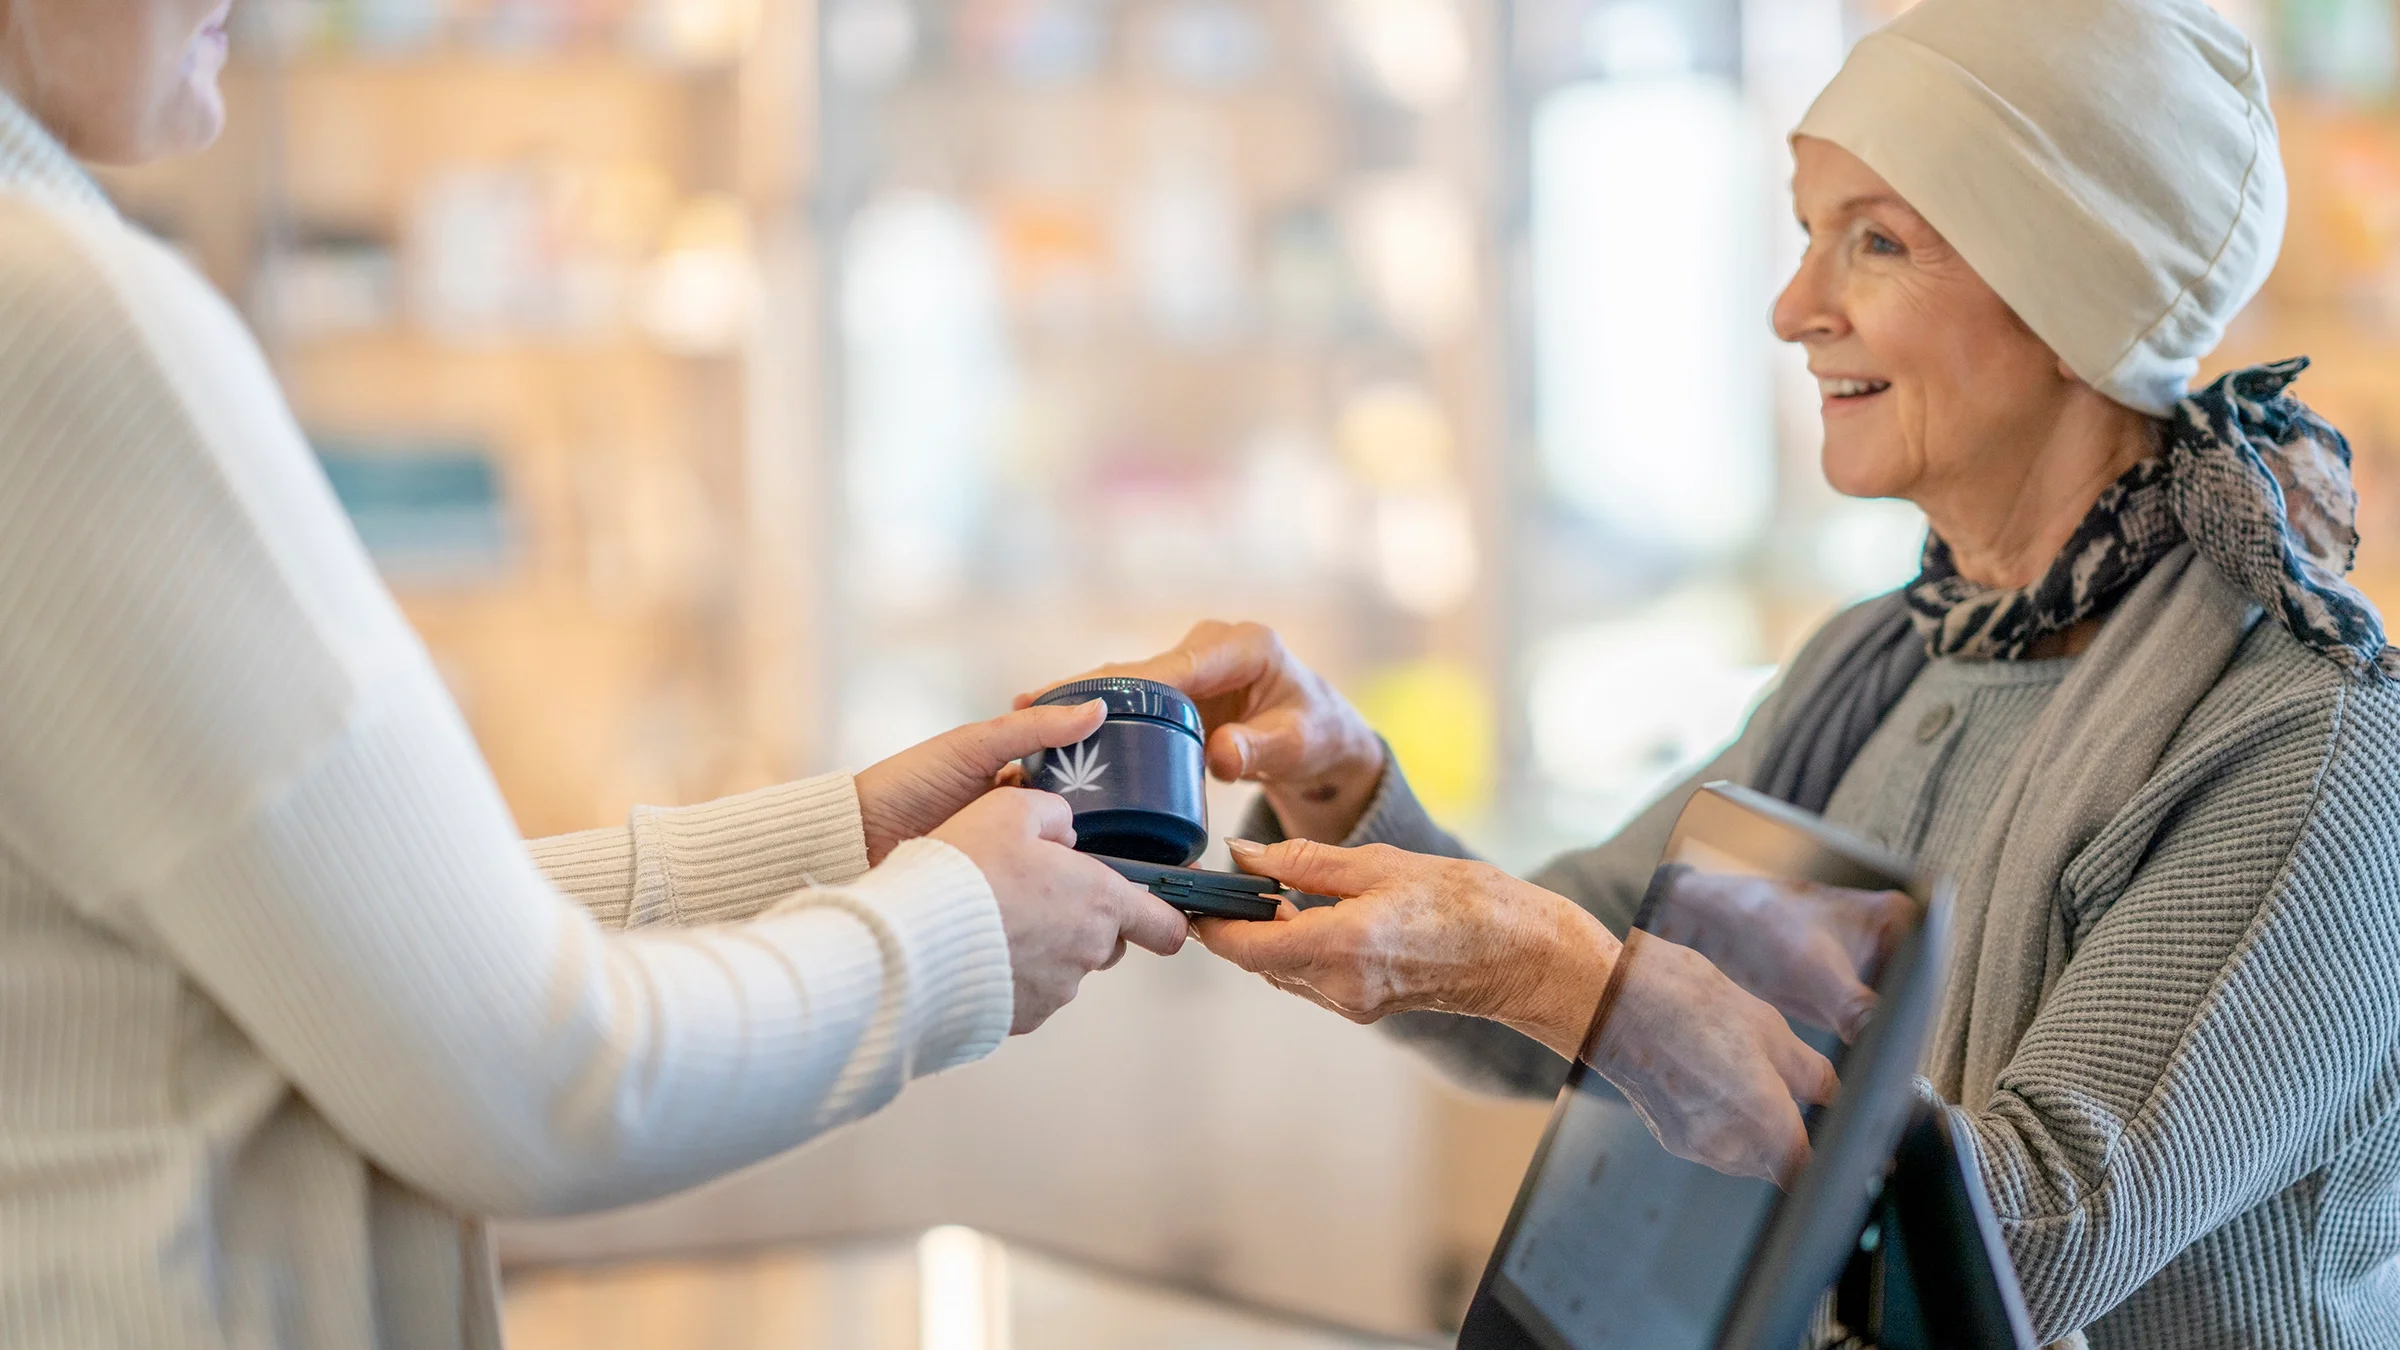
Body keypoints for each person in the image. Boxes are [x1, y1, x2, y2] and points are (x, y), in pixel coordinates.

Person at [1042, 1, 2400, 1345]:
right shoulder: (1884, 665)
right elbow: (1546, 1000)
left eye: (1878, 240)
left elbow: (2014, 1258)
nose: (1795, 307)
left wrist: (1573, 979)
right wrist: (1342, 779)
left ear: (2069, 294)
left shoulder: (2312, 750)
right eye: (1810, 233)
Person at [0, 3, 1189, 1346]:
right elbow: (534, 1077)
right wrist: (961, 932)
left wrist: (841, 838)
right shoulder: (63, 322)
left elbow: (358, 938)